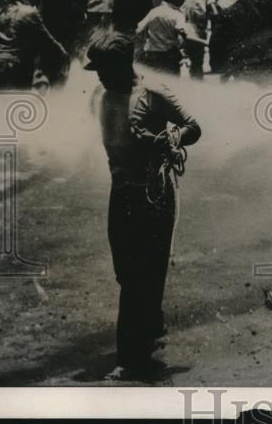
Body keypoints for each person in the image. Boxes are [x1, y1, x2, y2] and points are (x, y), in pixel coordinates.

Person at [85, 32, 201, 382]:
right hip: (120, 192)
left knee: (137, 276)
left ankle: (130, 359)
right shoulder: (100, 93)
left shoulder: (153, 93)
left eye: (105, 70)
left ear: (124, 65)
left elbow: (192, 128)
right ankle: (150, 323)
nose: (100, 78)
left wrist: (168, 140)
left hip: (153, 195)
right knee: (126, 271)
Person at [134, 0, 201, 76]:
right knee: (171, 83)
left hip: (151, 53)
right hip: (169, 54)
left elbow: (139, 30)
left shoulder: (154, 11)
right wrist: (205, 43)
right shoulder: (177, 15)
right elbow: (186, 35)